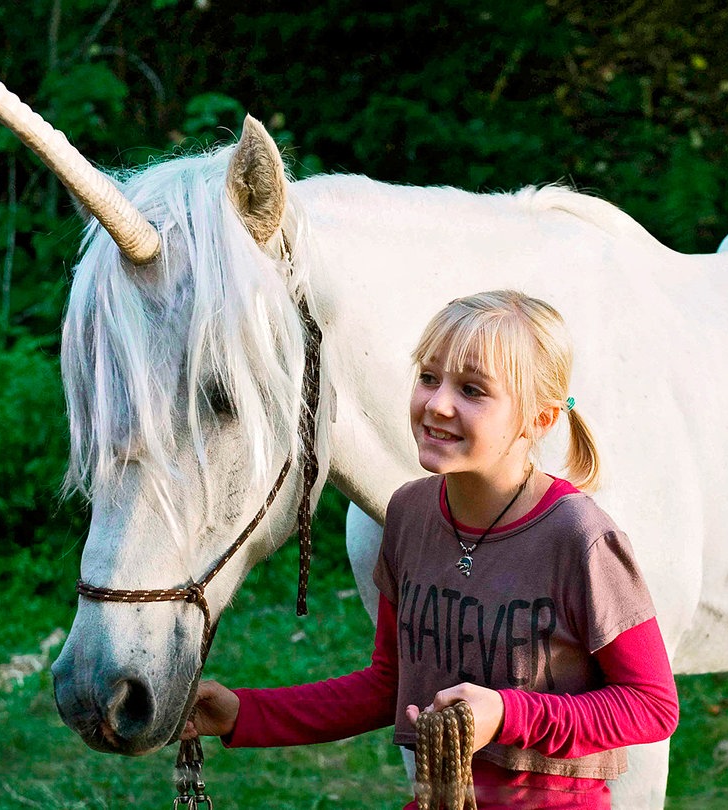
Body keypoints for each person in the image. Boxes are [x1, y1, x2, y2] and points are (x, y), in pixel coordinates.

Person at [184, 290, 679, 808]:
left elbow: (652, 704)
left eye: (472, 389)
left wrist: (508, 715)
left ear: (540, 419)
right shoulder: (409, 514)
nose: (438, 404)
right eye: (428, 377)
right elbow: (388, 685)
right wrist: (243, 713)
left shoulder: (580, 538)